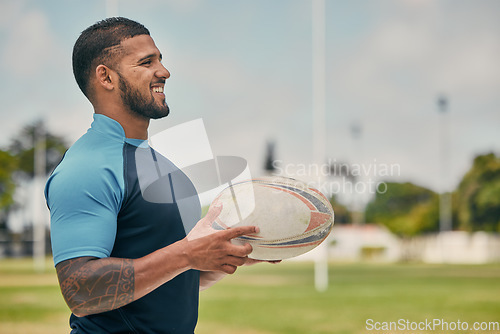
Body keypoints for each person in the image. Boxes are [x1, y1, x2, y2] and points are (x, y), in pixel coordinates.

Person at [45, 17, 264, 333]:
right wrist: (187, 254)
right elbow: (81, 292)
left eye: (160, 59)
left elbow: (167, 279)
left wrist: (224, 257)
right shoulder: (87, 168)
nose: (164, 71)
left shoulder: (163, 166)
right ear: (106, 77)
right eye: (147, 62)